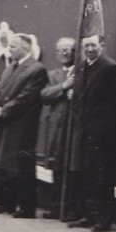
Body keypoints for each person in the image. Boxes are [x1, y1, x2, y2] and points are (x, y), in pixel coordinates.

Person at [67, 34, 116, 232]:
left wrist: (105, 129)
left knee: (104, 177)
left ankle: (104, 220)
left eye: (93, 45)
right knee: (89, 175)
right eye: (86, 46)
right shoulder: (84, 67)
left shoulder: (110, 68)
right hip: (86, 132)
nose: (89, 49)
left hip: (103, 136)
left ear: (102, 46)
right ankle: (89, 216)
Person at [0, 33, 47, 216]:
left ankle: (27, 207)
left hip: (22, 125)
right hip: (5, 122)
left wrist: (2, 111)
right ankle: (6, 203)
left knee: (22, 166)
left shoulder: (37, 69)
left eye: (13, 47)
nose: (9, 49)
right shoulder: (10, 67)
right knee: (5, 164)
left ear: (26, 48)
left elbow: (26, 98)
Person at [37, 37, 75, 220]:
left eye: (69, 49)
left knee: (72, 166)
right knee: (57, 165)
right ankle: (56, 206)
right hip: (56, 128)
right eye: (62, 50)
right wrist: (63, 86)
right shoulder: (52, 75)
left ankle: (71, 208)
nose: (65, 53)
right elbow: (44, 95)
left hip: (74, 126)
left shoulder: (80, 73)